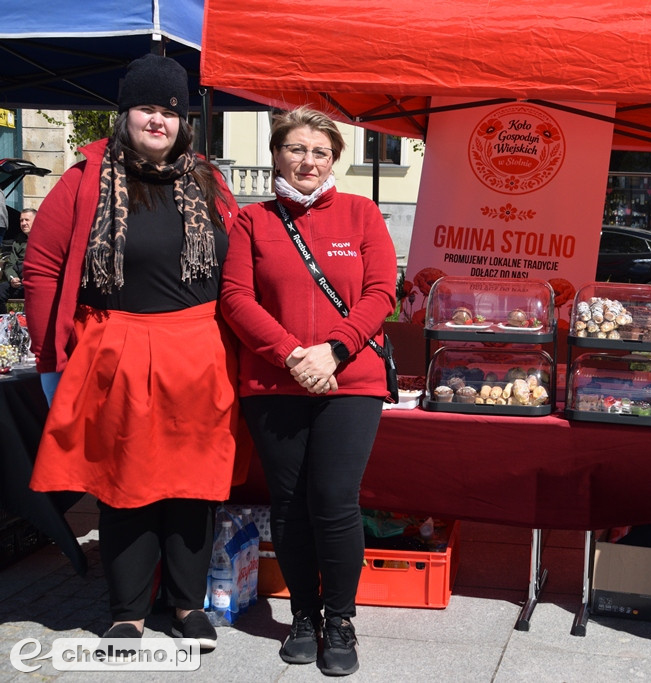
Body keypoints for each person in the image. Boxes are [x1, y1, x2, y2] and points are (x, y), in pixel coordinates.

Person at [23, 54, 240, 650]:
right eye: (147, 108)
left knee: (195, 483)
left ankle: (186, 605)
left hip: (199, 351)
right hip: (117, 348)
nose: (159, 121)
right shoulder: (85, 178)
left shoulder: (209, 181)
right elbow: (40, 266)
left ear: (184, 121)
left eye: (170, 111)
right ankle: (127, 608)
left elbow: (242, 264)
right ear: (124, 114)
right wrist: (55, 353)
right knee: (124, 482)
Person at [219, 105, 397, 676]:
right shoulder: (252, 220)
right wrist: (293, 355)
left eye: (320, 151)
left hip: (351, 382)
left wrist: (334, 350)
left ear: (333, 160)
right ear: (276, 153)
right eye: (296, 149)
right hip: (275, 381)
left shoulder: (362, 213)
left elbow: (381, 291)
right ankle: (303, 614)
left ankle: (340, 619)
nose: (307, 160)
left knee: (336, 500)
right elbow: (235, 299)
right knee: (290, 505)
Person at [1, 208, 34, 306]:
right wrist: (12, 278)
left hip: (36, 284)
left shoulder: (44, 240)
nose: (23, 223)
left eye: (27, 220)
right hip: (19, 284)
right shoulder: (18, 240)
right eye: (21, 220)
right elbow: (10, 264)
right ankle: (4, 320)